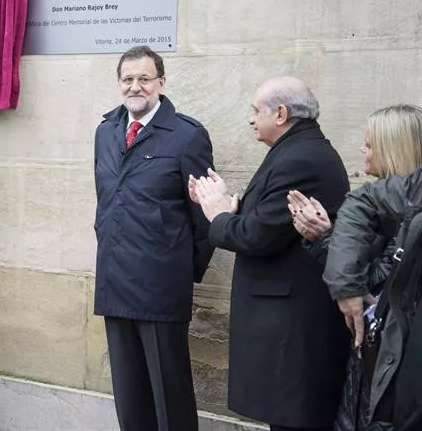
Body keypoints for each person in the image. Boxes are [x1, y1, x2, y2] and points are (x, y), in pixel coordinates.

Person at [190, 76, 351, 431]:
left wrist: (217, 215)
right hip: (288, 323)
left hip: (294, 328)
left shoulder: (301, 159)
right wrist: (230, 208)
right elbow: (268, 220)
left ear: (281, 113)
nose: (249, 118)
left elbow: (258, 236)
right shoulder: (296, 151)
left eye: (254, 110)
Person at [93, 46, 214, 431]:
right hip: (115, 281)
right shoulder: (105, 130)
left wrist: (179, 268)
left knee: (169, 398)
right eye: (128, 79)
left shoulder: (186, 135)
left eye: (144, 79)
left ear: (161, 83)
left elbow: (206, 217)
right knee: (130, 399)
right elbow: (106, 201)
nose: (135, 87)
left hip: (161, 287)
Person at [287, 104, 422, 429]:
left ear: (393, 149)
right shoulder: (381, 203)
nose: (362, 149)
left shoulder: (407, 215)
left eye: (370, 143)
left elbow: (377, 286)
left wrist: (323, 239)